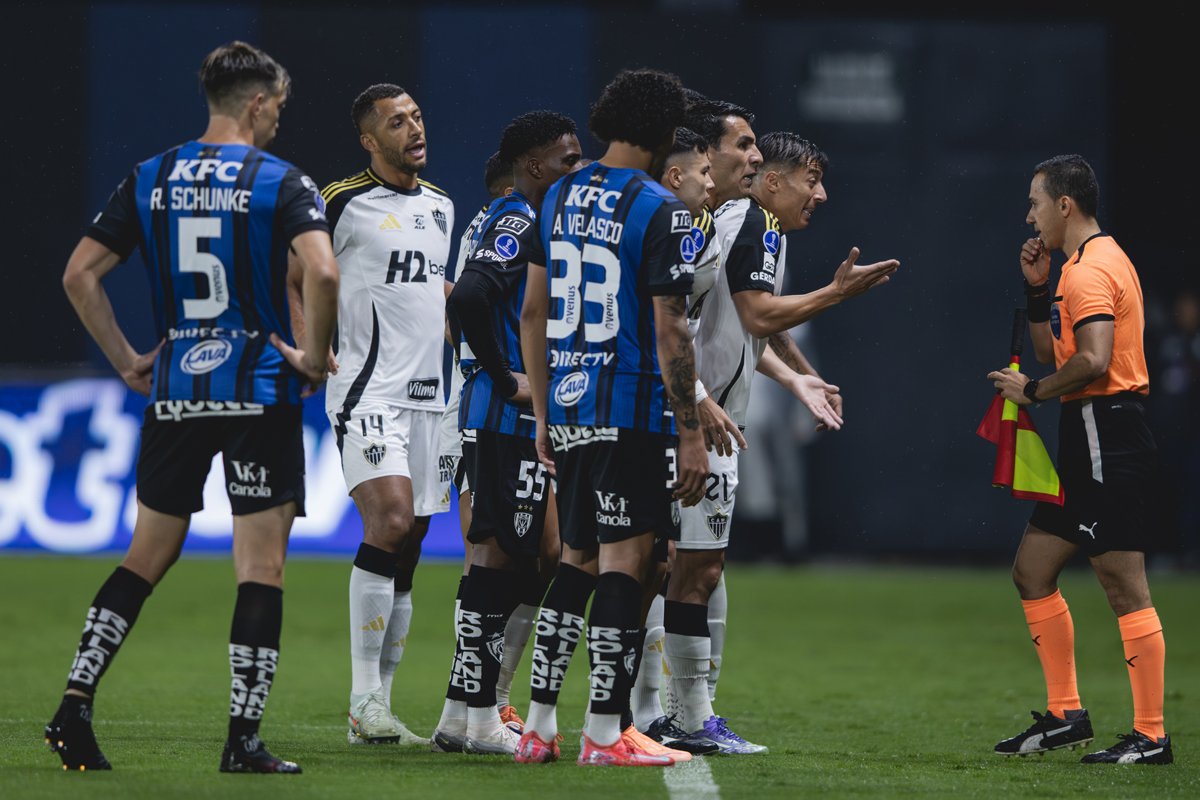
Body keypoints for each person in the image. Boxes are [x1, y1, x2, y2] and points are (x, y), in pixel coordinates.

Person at [47, 41, 338, 774]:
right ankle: (242, 740)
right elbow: (324, 272)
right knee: (260, 567)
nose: (277, 121)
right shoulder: (279, 179)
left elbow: (80, 273)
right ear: (260, 104)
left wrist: (125, 360)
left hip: (177, 385)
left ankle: (74, 704)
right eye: (278, 108)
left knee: (145, 555)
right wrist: (310, 356)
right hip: (257, 387)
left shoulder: (152, 175)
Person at [665, 120, 897, 754]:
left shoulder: (733, 221)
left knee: (685, 571)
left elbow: (737, 325)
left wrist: (798, 379)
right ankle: (682, 718)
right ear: (772, 181)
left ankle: (662, 713)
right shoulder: (757, 222)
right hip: (698, 422)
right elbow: (755, 313)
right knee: (692, 571)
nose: (819, 196)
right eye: (810, 181)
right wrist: (834, 294)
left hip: (693, 410)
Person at [514, 68, 707, 768]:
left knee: (577, 560)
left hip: (565, 403)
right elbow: (672, 330)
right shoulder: (661, 208)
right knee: (632, 562)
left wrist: (541, 410)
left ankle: (537, 727)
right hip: (627, 406)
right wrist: (689, 430)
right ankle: (604, 733)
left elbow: (532, 312)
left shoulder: (558, 194)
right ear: (662, 133)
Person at [988, 154, 1172, 765]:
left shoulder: (1091, 272)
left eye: (1036, 203)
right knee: (1032, 571)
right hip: (1087, 433)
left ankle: (1151, 736)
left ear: (1065, 206)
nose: (1029, 215)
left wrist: (1032, 394)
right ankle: (1067, 715)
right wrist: (1038, 289)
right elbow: (1050, 348)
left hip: (1106, 434)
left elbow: (1091, 361)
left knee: (1124, 585)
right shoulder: (1083, 266)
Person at [430, 111, 582, 756]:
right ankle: (480, 716)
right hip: (501, 418)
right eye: (567, 160)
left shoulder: (529, 219)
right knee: (496, 558)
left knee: (522, 557)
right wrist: (504, 375)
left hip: (510, 418)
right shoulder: (517, 217)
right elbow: (465, 297)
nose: (578, 169)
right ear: (534, 165)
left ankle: (462, 714)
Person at [320, 83, 453, 745]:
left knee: (412, 543)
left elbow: (431, 296)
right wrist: (310, 346)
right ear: (370, 141)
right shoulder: (340, 202)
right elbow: (296, 271)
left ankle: (380, 711)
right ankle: (360, 697)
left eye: (417, 115)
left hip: (434, 399)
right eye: (398, 122)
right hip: (366, 392)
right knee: (391, 519)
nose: (413, 128)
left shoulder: (441, 207)